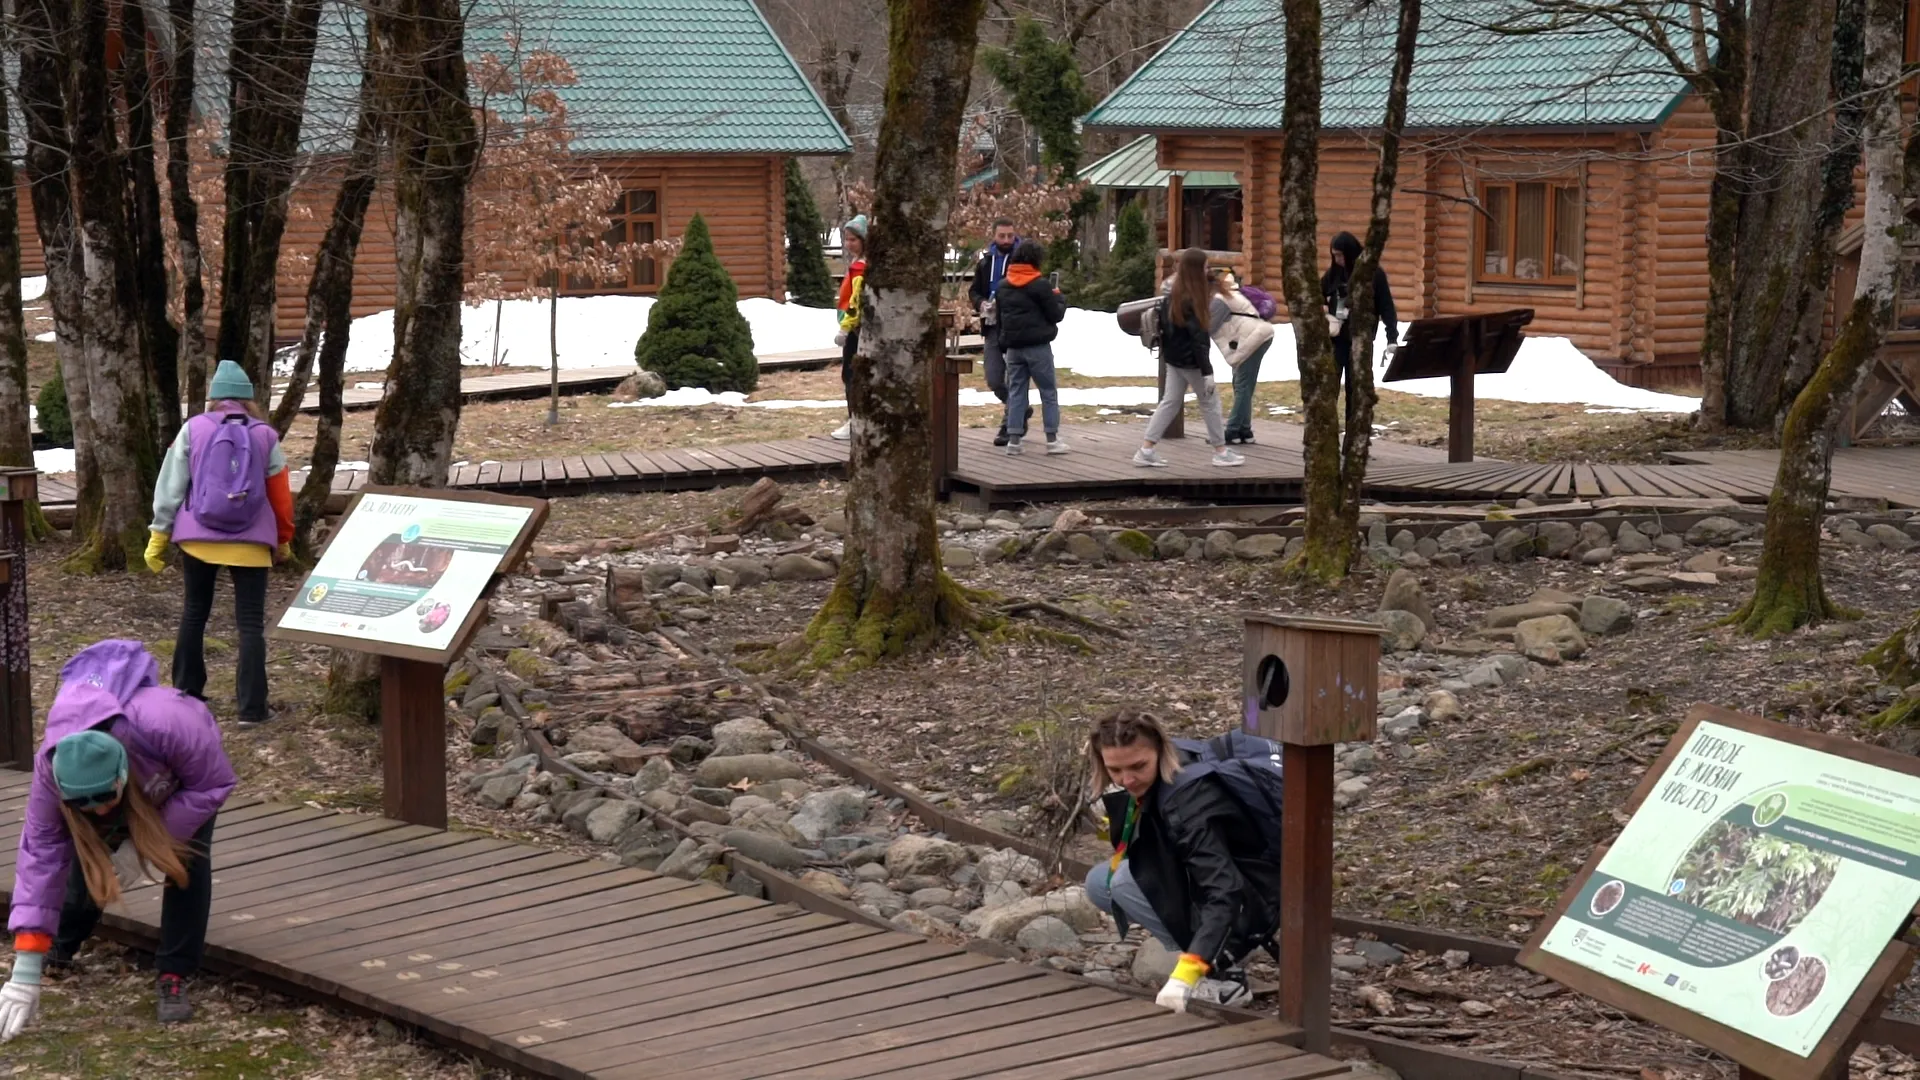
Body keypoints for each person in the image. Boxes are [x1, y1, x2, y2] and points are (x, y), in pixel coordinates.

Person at [1, 640, 238, 1038]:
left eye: (102, 798)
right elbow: (41, 857)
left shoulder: (172, 722)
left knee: (186, 863)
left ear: (122, 775)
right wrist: (25, 966)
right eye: (82, 802)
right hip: (122, 780)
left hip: (182, 786)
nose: (95, 809)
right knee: (84, 847)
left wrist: (149, 847)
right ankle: (61, 941)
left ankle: (174, 971)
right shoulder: (50, 768)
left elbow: (213, 783)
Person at [1081, 709, 1278, 1013]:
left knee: (1122, 883)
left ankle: (1221, 976)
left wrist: (1187, 973)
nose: (1127, 780)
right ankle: (1207, 952)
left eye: (1137, 766)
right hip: (1240, 865)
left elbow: (1225, 890)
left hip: (1261, 887)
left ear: (1160, 749)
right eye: (1115, 771)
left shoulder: (1188, 803)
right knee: (1101, 883)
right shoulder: (1177, 757)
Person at [146, 360, 293, 727]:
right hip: (253, 542)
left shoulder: (192, 429)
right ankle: (252, 709)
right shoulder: (265, 436)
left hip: (198, 538)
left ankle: (186, 694)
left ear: (213, 398)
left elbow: (171, 485)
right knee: (250, 624)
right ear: (248, 400)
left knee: (195, 612)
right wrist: (283, 539)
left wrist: (159, 534)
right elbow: (281, 497)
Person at [1135, 249, 1243, 468]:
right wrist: (1207, 373)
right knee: (1210, 403)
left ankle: (1146, 449)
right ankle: (1221, 451)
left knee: (1170, 402)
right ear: (1195, 270)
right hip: (1191, 361)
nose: (1208, 271)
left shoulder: (1171, 294)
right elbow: (1198, 340)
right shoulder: (1193, 301)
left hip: (1173, 358)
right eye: (1204, 267)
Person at [992, 240, 1068, 456]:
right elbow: (1055, 315)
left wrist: (1003, 344)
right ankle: (1052, 440)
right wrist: (1059, 298)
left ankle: (1014, 441)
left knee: (1017, 392)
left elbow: (1000, 319)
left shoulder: (1003, 286)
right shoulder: (1041, 286)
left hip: (1013, 348)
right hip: (1038, 346)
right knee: (1048, 392)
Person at [968, 218, 1029, 446]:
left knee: (1014, 377)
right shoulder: (985, 262)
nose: (1006, 240)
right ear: (993, 236)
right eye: (1001, 236)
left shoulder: (1022, 261)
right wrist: (981, 302)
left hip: (1014, 326)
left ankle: (1009, 424)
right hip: (992, 325)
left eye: (1010, 236)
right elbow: (973, 290)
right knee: (994, 378)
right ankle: (1020, 408)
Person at [1322, 231, 1398, 383]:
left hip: (1361, 340)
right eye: (1334, 255)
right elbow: (1318, 294)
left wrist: (1392, 338)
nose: (1337, 260)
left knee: (1357, 388)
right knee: (1329, 384)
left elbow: (1386, 306)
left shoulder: (1373, 274)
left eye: (1340, 255)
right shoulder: (1334, 273)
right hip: (1336, 339)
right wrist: (1324, 310)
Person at [1214, 270, 1276, 446]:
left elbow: (1207, 323)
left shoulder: (1221, 299)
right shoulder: (1232, 295)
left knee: (1242, 385)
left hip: (1253, 339)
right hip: (1254, 337)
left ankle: (1233, 429)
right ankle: (1244, 430)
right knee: (1243, 384)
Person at [831, 214, 869, 441]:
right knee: (850, 374)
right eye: (846, 239)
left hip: (856, 329)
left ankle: (856, 419)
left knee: (852, 374)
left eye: (853, 239)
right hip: (852, 326)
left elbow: (855, 302)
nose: (848, 244)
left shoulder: (861, 269)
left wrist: (846, 327)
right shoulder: (855, 265)